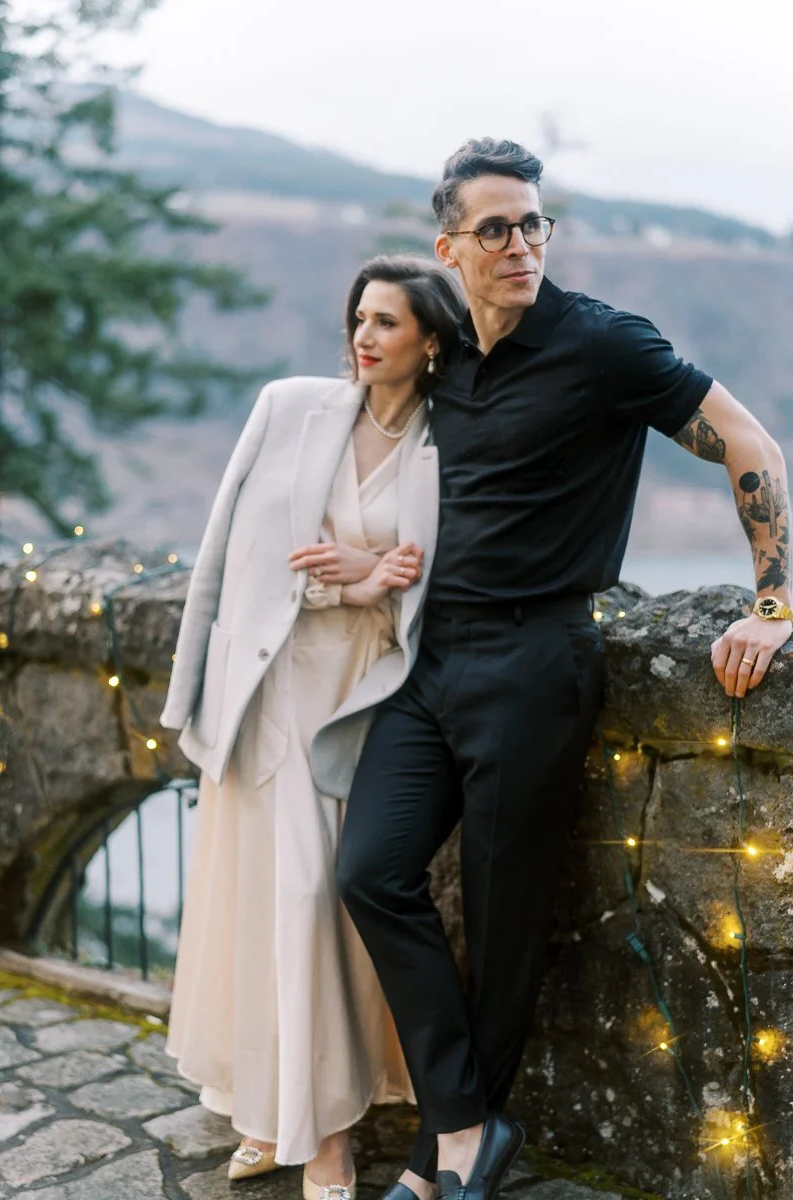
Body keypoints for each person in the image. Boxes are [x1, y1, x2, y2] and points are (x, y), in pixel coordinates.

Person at [337, 138, 792, 1200]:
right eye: (495, 228)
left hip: (536, 660)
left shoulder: (602, 344)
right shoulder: (443, 348)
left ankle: (447, 1159)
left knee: (504, 924)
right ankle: (465, 1123)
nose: (521, 245)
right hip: (429, 656)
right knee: (369, 871)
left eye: (535, 223)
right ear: (448, 246)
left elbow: (749, 442)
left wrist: (774, 604)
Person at [160, 257, 466, 1200]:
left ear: (432, 341)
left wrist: (373, 582)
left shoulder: (450, 443)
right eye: (359, 318)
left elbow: (437, 588)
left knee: (323, 904)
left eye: (387, 322)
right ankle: (284, 1118)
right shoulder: (289, 407)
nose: (364, 337)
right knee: (269, 901)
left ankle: (313, 1121)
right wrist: (355, 578)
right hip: (266, 692)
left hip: (366, 699)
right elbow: (233, 556)